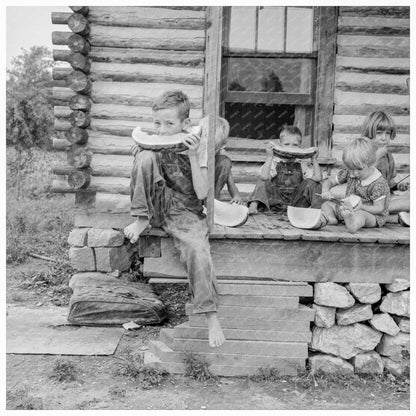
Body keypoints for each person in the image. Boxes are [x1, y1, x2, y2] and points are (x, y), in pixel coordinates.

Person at [123, 90, 225, 348]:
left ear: (185, 125)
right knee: (144, 156)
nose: (162, 130)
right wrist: (139, 155)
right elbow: (142, 180)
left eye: (170, 124)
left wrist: (191, 157)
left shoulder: (197, 147)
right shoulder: (152, 143)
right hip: (157, 206)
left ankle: (211, 315)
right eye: (157, 123)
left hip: (185, 211)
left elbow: (202, 193)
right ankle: (141, 218)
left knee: (198, 250)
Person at [315, 137, 391, 233]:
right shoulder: (350, 172)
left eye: (359, 169)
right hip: (348, 208)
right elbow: (329, 182)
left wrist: (362, 207)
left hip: (370, 214)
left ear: (371, 163)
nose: (354, 173)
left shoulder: (378, 183)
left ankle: (353, 225)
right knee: (326, 205)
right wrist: (325, 190)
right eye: (351, 168)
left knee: (361, 215)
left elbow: (379, 208)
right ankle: (332, 219)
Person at [247, 125, 322, 214]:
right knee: (263, 181)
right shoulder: (275, 161)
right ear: (280, 145)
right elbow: (264, 177)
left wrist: (314, 159)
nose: (290, 148)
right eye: (286, 144)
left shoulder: (302, 163)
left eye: (295, 145)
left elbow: (317, 178)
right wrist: (270, 156)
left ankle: (317, 211)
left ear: (300, 147)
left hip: (297, 204)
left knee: (313, 183)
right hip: (276, 201)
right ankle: (253, 206)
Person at [361, 110, 410, 225]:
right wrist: (376, 158)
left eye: (387, 133)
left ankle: (383, 217)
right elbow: (361, 179)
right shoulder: (362, 152)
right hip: (367, 200)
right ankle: (376, 214)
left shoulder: (388, 156)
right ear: (369, 133)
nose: (384, 138)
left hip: (385, 199)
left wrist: (398, 186)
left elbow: (388, 184)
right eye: (379, 133)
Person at [199, 116, 243, 204]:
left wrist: (236, 195)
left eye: (215, 148)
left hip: (211, 195)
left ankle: (213, 201)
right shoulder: (195, 150)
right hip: (195, 193)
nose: (212, 151)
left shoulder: (220, 157)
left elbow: (231, 183)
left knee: (225, 161)